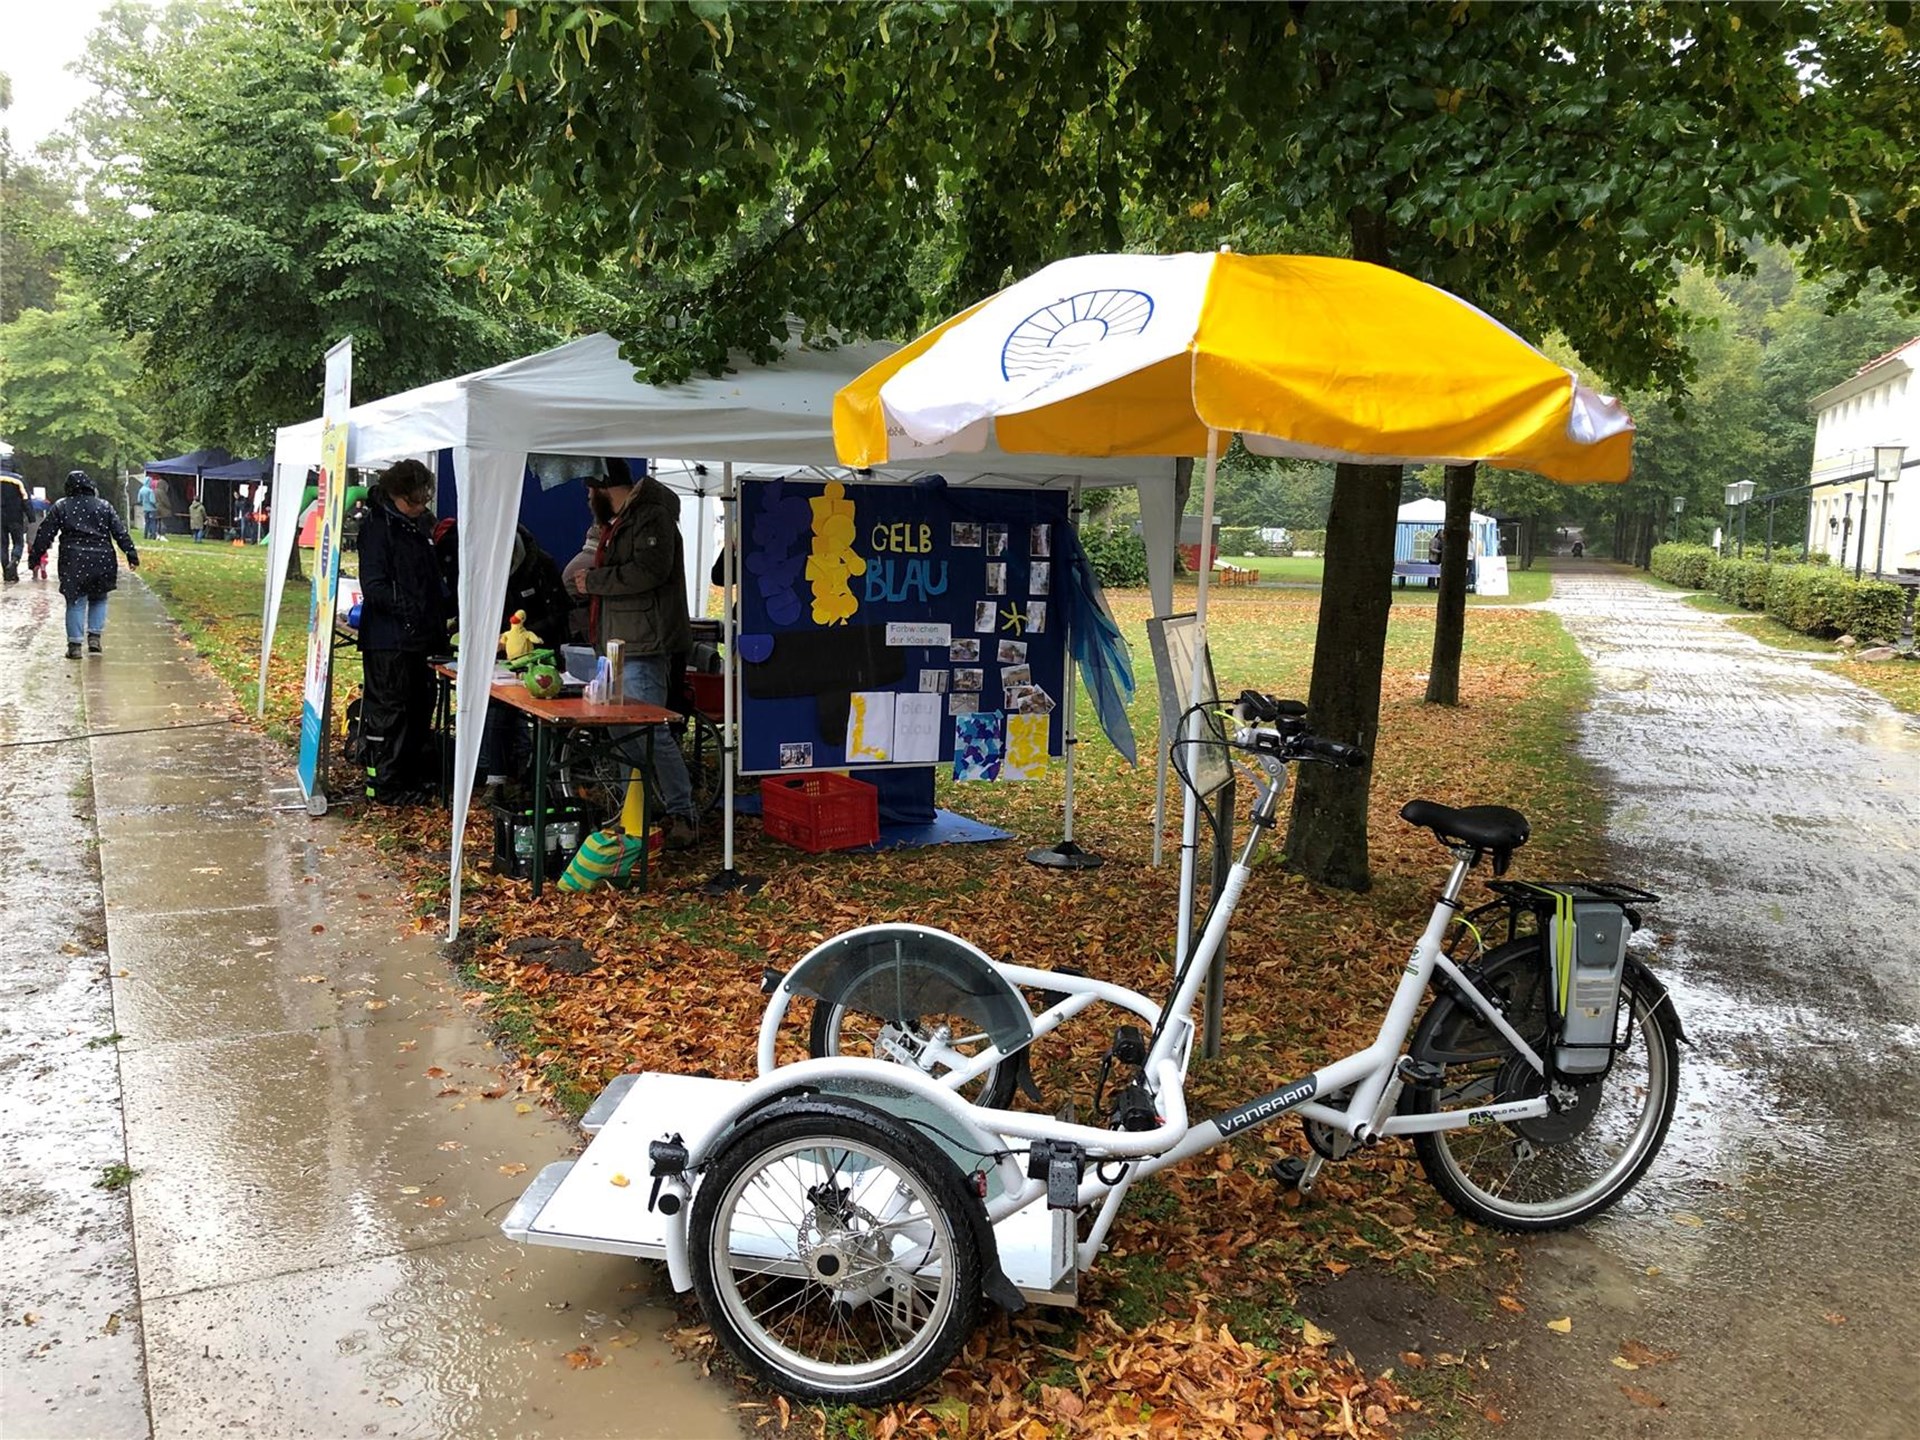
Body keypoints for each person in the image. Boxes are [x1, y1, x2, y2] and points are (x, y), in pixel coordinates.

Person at [573, 458, 698, 849]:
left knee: (649, 731)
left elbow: (649, 572)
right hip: (619, 643)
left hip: (644, 642)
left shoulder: (651, 516)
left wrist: (594, 581)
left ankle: (683, 813)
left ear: (603, 489)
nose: (589, 500)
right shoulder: (624, 519)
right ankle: (640, 808)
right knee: (621, 729)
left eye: (590, 493)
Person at [355, 458, 451, 804]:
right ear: (396, 494)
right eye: (414, 500)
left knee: (418, 708)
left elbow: (428, 577)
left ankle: (408, 776)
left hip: (418, 637)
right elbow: (375, 584)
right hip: (389, 639)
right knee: (391, 711)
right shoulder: (378, 527)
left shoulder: (419, 526)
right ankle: (385, 783)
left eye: (424, 499)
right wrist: (409, 608)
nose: (420, 506)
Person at [29, 470, 140, 658]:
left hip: (73, 559)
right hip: (102, 558)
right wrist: (131, 554)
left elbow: (45, 533)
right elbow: (119, 532)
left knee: (75, 601)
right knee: (99, 598)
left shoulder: (62, 506)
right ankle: (95, 638)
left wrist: (36, 557)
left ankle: (75, 645)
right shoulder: (104, 506)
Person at [1, 469, 27, 583]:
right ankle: (14, 561)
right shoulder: (18, 479)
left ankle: (6, 573)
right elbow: (26, 498)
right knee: (18, 542)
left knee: (3, 545)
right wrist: (31, 516)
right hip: (16, 517)